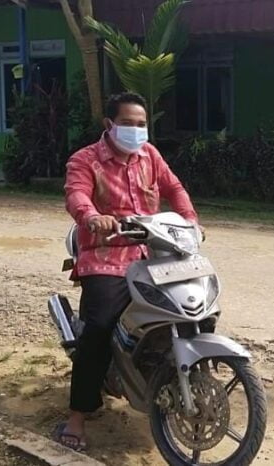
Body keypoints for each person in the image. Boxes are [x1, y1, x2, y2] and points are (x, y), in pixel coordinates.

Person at [58, 92, 199, 451]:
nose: (136, 130)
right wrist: (92, 216)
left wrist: (190, 220)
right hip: (106, 254)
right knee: (99, 327)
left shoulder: (149, 155)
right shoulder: (85, 160)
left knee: (189, 307)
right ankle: (77, 416)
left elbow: (174, 187)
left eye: (141, 124)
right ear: (109, 124)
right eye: (128, 123)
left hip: (153, 252)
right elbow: (76, 195)